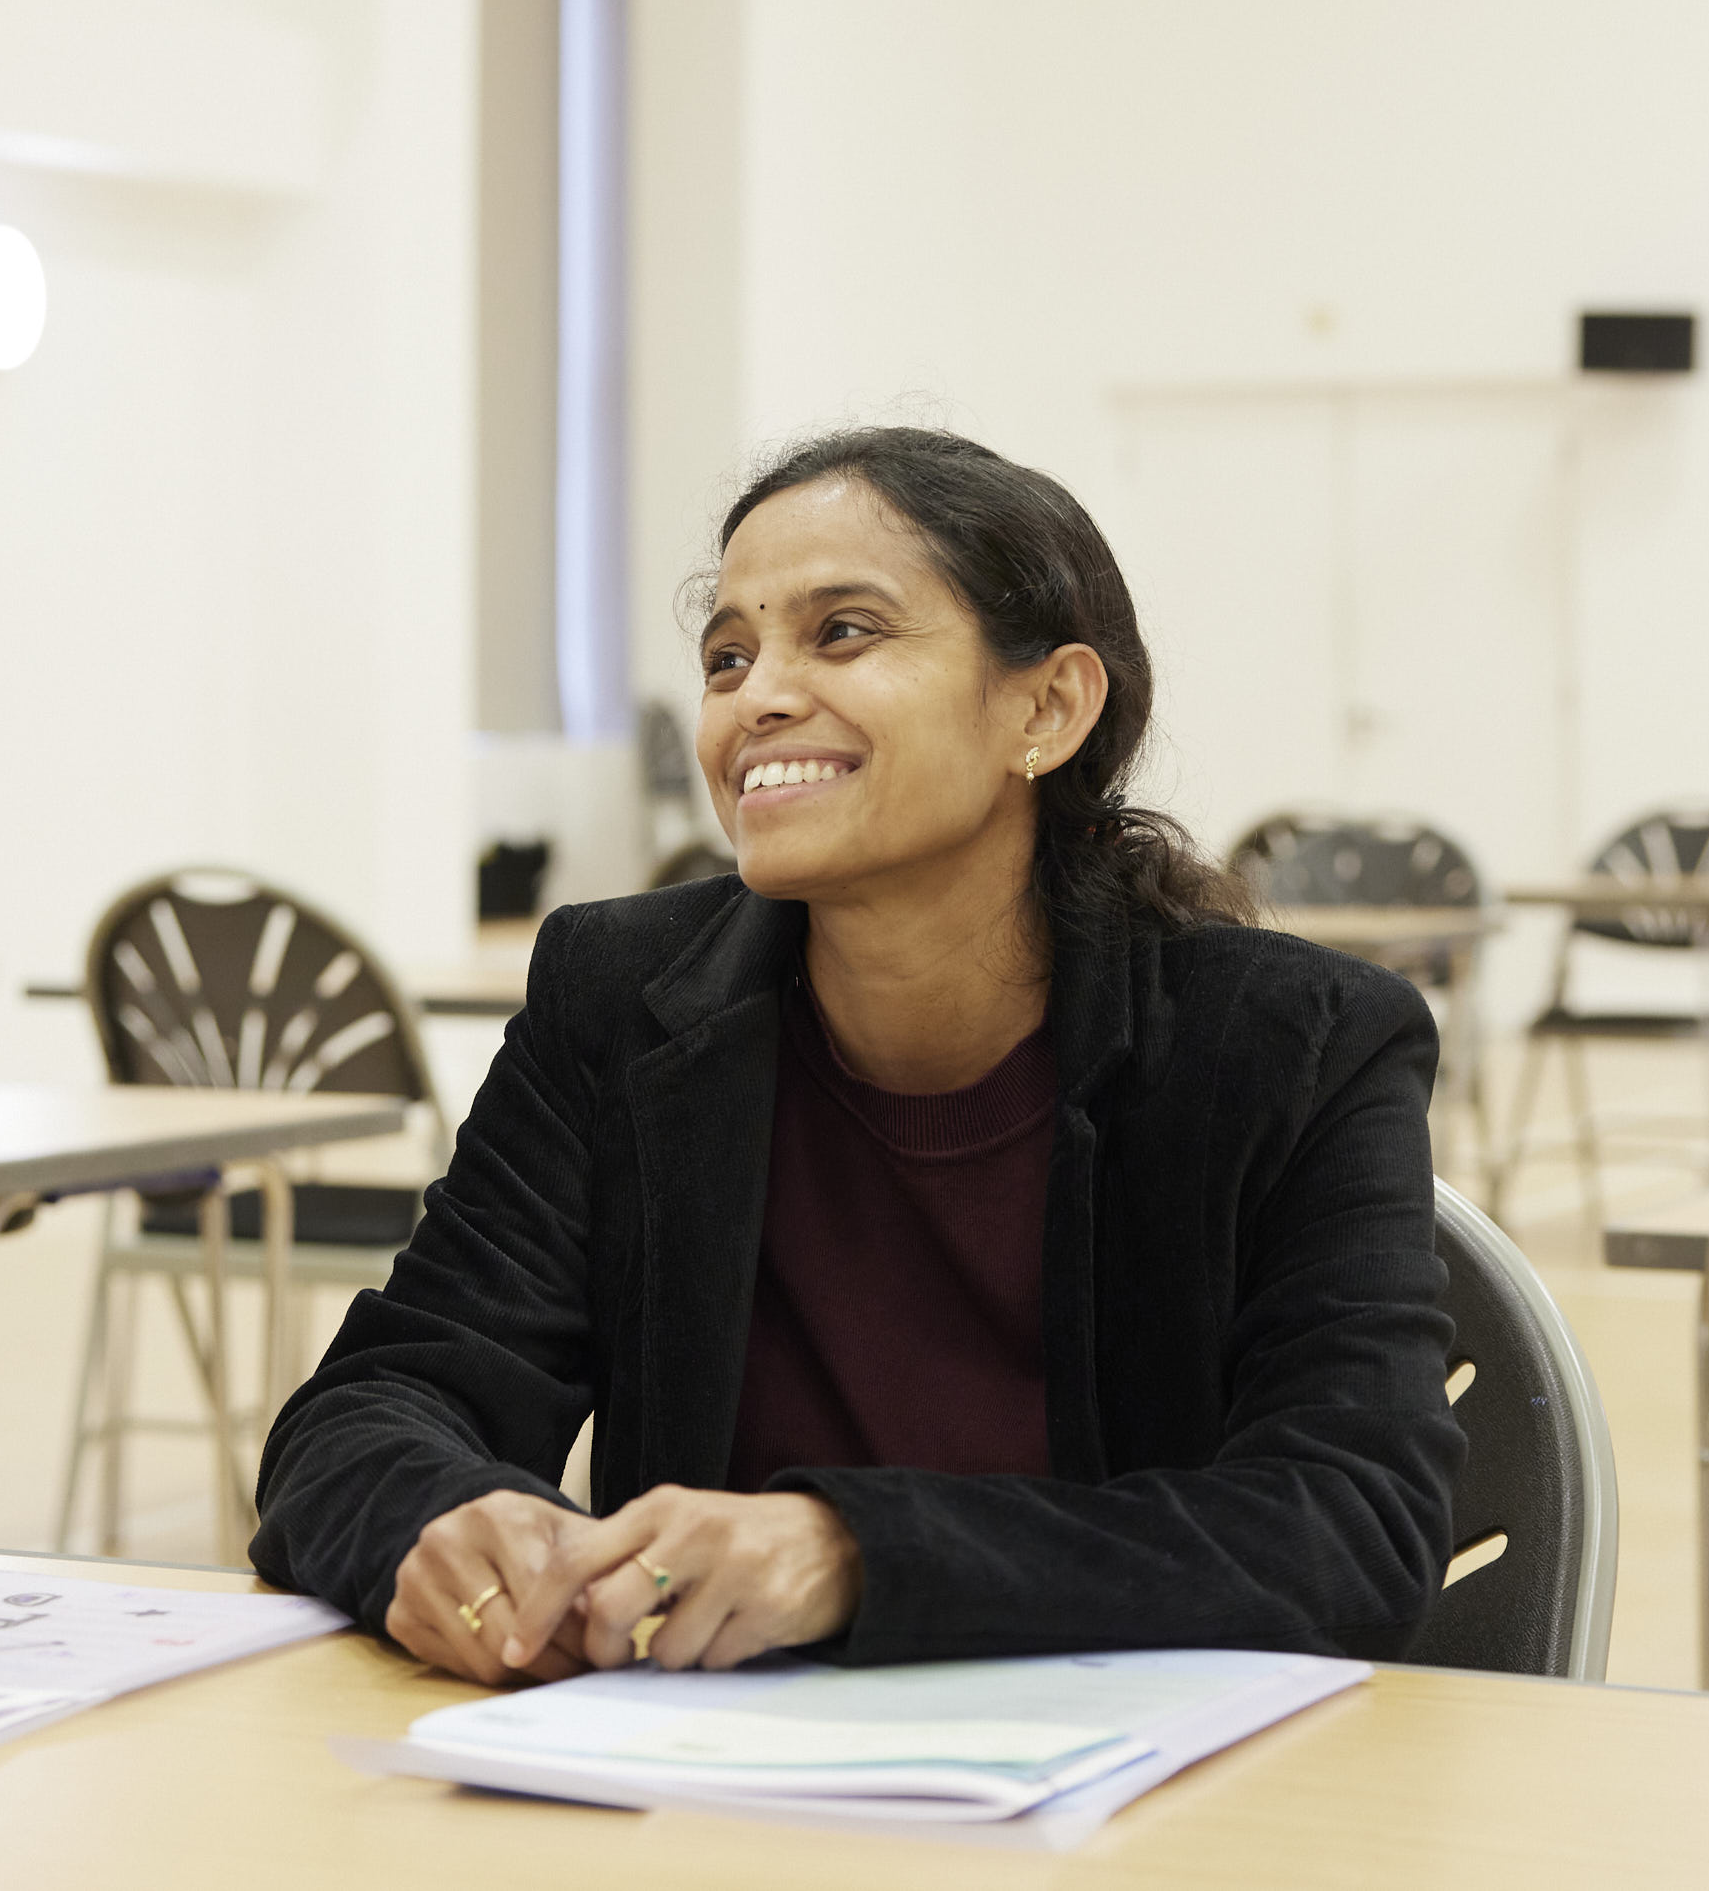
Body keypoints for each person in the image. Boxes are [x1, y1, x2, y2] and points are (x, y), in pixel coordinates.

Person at [250, 426, 1461, 1682]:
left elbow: (1352, 1527)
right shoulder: (618, 998)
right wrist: (433, 1520)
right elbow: (369, 1408)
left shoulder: (1290, 1045)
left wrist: (852, 1553)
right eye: (727, 654)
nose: (755, 694)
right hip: (702, 1793)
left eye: (841, 632)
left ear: (1043, 707)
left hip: (1135, 1808)